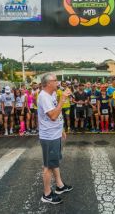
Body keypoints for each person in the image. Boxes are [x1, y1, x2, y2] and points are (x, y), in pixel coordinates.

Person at [38, 73, 73, 204]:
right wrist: (63, 99)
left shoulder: (52, 94)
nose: (58, 82)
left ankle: (60, 186)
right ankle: (46, 194)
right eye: (55, 80)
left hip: (55, 133)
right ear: (48, 83)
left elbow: (57, 115)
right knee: (48, 165)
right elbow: (52, 115)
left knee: (54, 161)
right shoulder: (43, 97)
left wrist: (61, 128)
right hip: (49, 136)